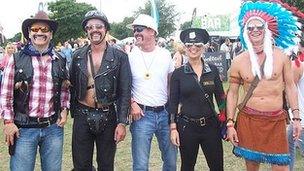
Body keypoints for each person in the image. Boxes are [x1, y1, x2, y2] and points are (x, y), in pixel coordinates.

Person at [226, 1, 302, 171]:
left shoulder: (281, 57)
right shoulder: (238, 61)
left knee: (281, 168)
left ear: (266, 29)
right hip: (249, 119)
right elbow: (232, 93)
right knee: (252, 167)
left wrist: (296, 118)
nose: (255, 30)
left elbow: (290, 87)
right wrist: (230, 123)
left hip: (275, 120)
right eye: (250, 27)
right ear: (245, 32)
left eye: (259, 26)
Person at [0, 10, 70, 171]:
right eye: (35, 29)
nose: (39, 33)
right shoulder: (16, 59)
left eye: (44, 30)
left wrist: (64, 109)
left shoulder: (59, 59)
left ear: (51, 34)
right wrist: (9, 122)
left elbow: (65, 88)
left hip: (53, 128)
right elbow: (6, 94)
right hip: (24, 129)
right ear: (29, 34)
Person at [69, 10, 131, 171]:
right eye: (90, 27)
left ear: (106, 29)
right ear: (86, 31)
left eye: (99, 26)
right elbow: (72, 86)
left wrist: (122, 122)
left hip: (108, 114)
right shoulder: (77, 56)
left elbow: (125, 91)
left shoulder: (120, 57)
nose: (94, 30)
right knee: (81, 165)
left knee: (106, 165)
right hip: (82, 114)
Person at [169, 28, 226, 171]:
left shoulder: (212, 70)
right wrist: (173, 127)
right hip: (187, 127)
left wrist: (225, 121)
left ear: (203, 47)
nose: (193, 48)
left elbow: (220, 97)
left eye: (198, 45)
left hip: (211, 126)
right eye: (189, 45)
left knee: (217, 166)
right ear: (185, 48)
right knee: (187, 166)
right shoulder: (178, 73)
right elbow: (173, 102)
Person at [128, 14, 177, 171]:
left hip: (165, 114)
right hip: (141, 115)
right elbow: (123, 86)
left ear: (152, 31)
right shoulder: (129, 56)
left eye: (139, 29)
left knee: (170, 162)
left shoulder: (165, 55)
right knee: (141, 165)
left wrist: (173, 113)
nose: (136, 33)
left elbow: (171, 84)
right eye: (135, 30)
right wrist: (132, 103)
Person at [287, 40, 304, 171]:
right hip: (299, 118)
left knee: (289, 147)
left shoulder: (298, 65)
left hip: (300, 118)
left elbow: (289, 89)